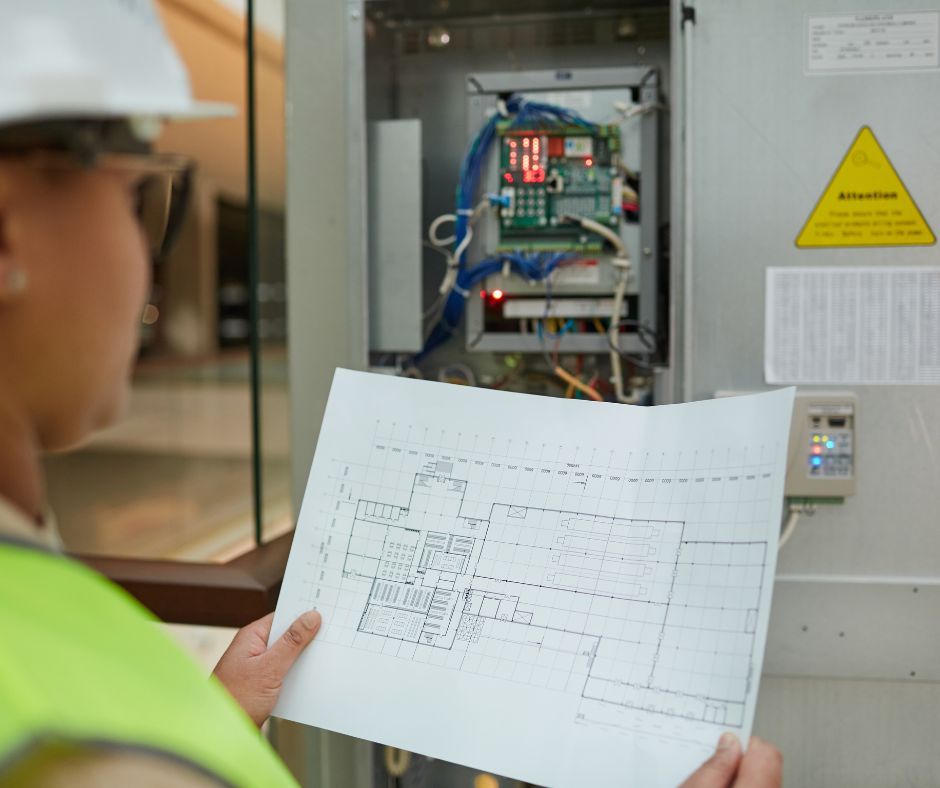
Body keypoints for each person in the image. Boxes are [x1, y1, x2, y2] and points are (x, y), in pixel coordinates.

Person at [0, 1, 781, 785]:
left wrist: (221, 718)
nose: (144, 256)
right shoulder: (70, 730)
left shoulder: (52, 622)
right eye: (140, 197)